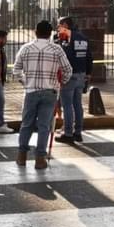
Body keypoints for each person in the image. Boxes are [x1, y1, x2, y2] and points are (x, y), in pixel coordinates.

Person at [12, 20, 72, 170]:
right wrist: (60, 83)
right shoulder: (56, 49)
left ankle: (21, 156)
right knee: (44, 126)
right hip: (50, 92)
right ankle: (40, 158)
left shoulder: (25, 48)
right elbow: (68, 70)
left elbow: (16, 70)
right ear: (50, 33)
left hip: (31, 91)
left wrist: (27, 82)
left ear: (35, 31)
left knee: (26, 124)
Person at [55, 16, 92, 144]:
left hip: (69, 75)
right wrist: (88, 72)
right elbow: (89, 57)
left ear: (65, 25)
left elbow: (63, 57)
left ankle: (68, 133)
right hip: (81, 74)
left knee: (67, 105)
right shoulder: (83, 37)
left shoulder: (66, 37)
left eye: (59, 25)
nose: (58, 28)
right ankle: (78, 132)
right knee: (78, 104)